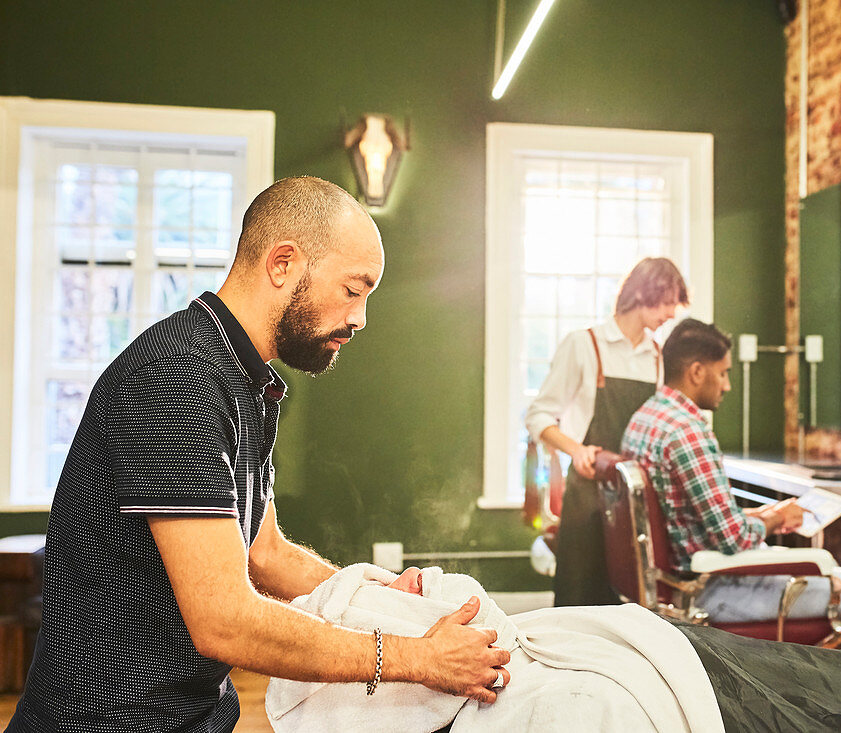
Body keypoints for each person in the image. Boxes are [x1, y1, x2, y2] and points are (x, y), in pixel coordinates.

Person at [7, 177, 509, 733]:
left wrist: (372, 593)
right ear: (283, 265)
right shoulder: (177, 380)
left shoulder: (242, 379)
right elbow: (223, 620)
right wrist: (417, 659)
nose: (361, 317)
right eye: (353, 289)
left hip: (196, 715)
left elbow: (262, 552)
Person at [268, 562, 841, 733]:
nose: (424, 576)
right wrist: (411, 655)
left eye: (404, 571)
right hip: (710, 595)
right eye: (406, 585)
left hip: (653, 636)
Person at [621, 318, 841, 656]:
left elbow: (689, 517)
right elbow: (732, 539)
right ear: (696, 372)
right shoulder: (688, 431)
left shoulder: (645, 417)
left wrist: (766, 513)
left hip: (676, 582)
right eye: (722, 373)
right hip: (711, 589)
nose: (727, 386)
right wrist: (778, 520)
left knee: (813, 565)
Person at [525, 257, 689, 606]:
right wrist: (577, 451)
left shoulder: (658, 357)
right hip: (587, 495)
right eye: (668, 300)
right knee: (578, 598)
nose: (673, 313)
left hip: (635, 501)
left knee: (628, 605)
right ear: (645, 292)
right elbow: (539, 416)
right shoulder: (584, 345)